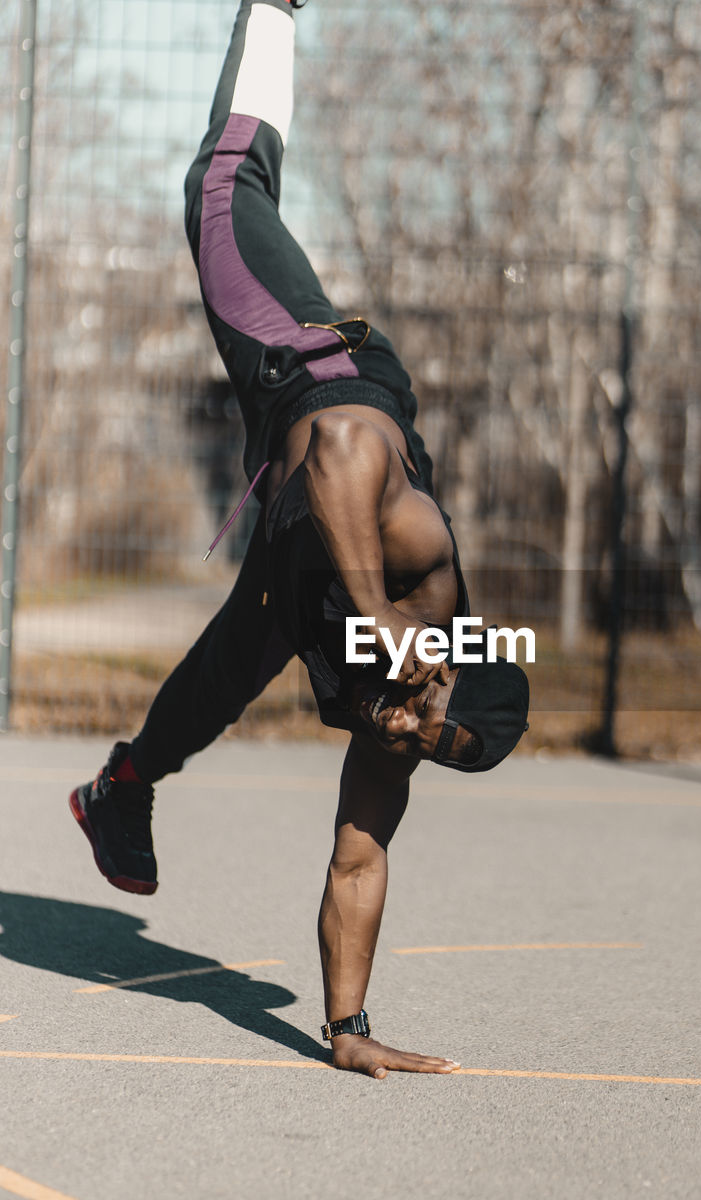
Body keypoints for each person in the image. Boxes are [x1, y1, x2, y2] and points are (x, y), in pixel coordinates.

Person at [69, 0, 529, 1079]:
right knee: (222, 189)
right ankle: (274, 8)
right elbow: (336, 452)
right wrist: (374, 619)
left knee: (221, 677)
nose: (409, 727)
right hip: (313, 372)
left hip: (290, 565)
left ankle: (118, 788)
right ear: (449, 659)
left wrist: (349, 1029)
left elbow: (357, 860)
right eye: (431, 711)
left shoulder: (401, 731)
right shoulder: (421, 563)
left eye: (424, 741)